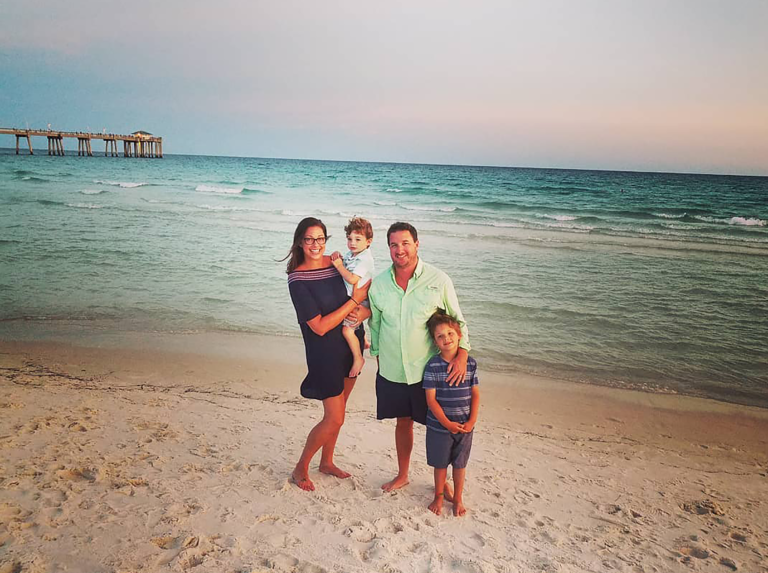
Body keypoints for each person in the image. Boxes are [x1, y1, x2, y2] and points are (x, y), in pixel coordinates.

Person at [368, 222, 470, 492]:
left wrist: (462, 355)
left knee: (440, 426)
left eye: (405, 243)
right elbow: (375, 325)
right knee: (403, 422)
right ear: (388, 247)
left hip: (430, 372)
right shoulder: (378, 285)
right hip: (393, 370)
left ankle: (444, 481)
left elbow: (458, 321)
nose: (399, 250)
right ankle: (403, 474)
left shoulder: (439, 280)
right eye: (393, 244)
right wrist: (377, 357)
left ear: (416, 244)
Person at [285, 217, 370, 491]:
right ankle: (300, 469)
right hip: (325, 354)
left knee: (341, 412)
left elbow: (362, 293)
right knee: (334, 417)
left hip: (350, 344)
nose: (315, 244)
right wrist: (355, 302)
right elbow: (319, 326)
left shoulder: (337, 267)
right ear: (300, 241)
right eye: (309, 239)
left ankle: (327, 462)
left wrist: (363, 310)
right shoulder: (297, 280)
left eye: (320, 238)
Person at [423, 309, 480, 517]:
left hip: (465, 426)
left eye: (450, 334)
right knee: (440, 464)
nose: (446, 339)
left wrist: (472, 420)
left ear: (459, 336)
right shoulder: (433, 366)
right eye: (440, 336)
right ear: (435, 342)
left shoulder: (470, 364)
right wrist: (446, 423)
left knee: (460, 464)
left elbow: (475, 394)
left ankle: (457, 498)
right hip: (439, 426)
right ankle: (438, 496)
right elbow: (430, 400)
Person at [330, 217, 375, 378]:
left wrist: (339, 266)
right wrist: (339, 257)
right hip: (353, 297)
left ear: (368, 242)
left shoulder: (365, 259)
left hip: (360, 300)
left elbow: (352, 279)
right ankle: (365, 340)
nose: (352, 243)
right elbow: (346, 262)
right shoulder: (354, 253)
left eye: (358, 239)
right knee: (352, 325)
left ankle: (358, 358)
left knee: (347, 330)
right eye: (349, 239)